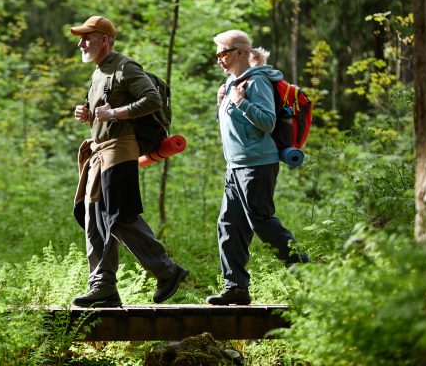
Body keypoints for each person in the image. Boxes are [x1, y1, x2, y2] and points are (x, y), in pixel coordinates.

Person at [69, 15, 187, 307]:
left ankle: (167, 270)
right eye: (80, 38)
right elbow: (102, 112)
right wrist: (87, 114)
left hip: (119, 150)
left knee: (119, 216)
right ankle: (103, 286)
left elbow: (152, 100)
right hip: (99, 153)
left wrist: (115, 114)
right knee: (94, 217)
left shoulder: (125, 66)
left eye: (87, 37)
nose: (81, 43)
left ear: (105, 40)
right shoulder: (99, 73)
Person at [208, 30, 307, 305]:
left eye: (222, 53)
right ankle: (236, 288)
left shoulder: (257, 81)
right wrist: (223, 101)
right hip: (235, 166)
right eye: (217, 54)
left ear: (240, 52)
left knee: (262, 222)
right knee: (229, 225)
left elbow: (267, 122)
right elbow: (234, 125)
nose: (219, 59)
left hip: (257, 165)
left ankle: (307, 272)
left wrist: (241, 101)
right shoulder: (232, 83)